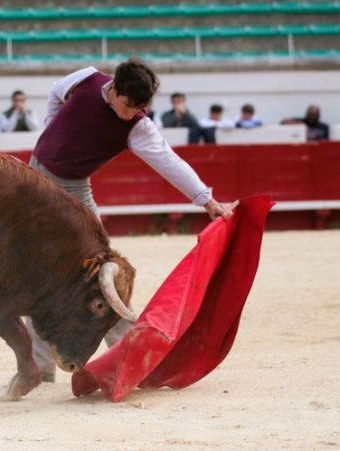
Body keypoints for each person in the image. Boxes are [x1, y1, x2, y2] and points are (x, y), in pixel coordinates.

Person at [27, 58, 235, 382]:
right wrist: (52, 125)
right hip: (35, 179)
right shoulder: (87, 79)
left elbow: (168, 160)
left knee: (102, 272)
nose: (131, 113)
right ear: (114, 89)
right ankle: (38, 369)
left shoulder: (137, 125)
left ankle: (129, 357)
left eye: (139, 106)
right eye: (127, 105)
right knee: (36, 271)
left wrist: (205, 199)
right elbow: (56, 92)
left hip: (76, 188)